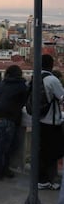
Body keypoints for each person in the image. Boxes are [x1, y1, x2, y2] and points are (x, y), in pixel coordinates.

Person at [0, 65, 27, 181]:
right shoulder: (21, 86)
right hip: (8, 118)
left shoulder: (2, 84)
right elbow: (25, 101)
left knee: (2, 146)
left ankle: (2, 170)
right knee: (3, 148)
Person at [37, 54, 64, 190]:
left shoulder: (35, 77)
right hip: (51, 121)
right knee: (52, 153)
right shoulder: (52, 80)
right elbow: (62, 97)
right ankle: (48, 180)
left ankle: (41, 179)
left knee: (42, 151)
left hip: (39, 119)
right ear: (51, 65)